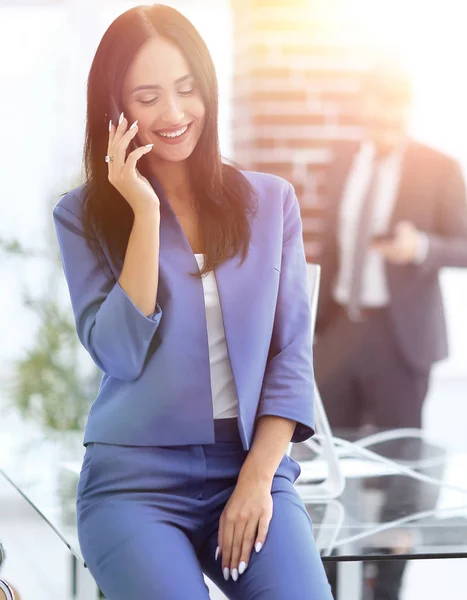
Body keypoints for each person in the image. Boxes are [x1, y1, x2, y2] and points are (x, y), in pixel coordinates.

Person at [52, 5, 333, 599]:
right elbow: (120, 355)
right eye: (147, 96)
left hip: (251, 464)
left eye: (186, 90)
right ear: (115, 109)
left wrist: (259, 479)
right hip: (134, 482)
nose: (175, 114)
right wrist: (144, 212)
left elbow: (290, 354)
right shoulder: (81, 217)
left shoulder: (270, 201)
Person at [315, 63, 467, 599]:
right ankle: (328, 584)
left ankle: (387, 591)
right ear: (363, 107)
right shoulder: (338, 163)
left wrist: (421, 247)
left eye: (393, 113)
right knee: (330, 467)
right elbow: (330, 247)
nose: (383, 123)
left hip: (400, 337)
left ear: (406, 110)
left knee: (400, 473)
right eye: (375, 111)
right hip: (338, 332)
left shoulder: (438, 167)